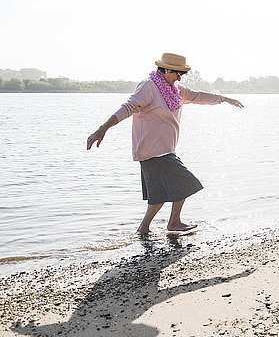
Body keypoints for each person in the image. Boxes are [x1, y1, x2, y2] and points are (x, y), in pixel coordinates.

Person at [86, 53, 243, 234]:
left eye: (182, 74)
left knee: (158, 195)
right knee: (186, 182)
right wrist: (102, 129)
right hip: (152, 150)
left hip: (163, 150)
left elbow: (198, 96)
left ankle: (143, 229)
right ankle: (174, 222)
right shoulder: (149, 87)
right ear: (166, 69)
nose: (179, 77)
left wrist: (223, 99)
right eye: (177, 73)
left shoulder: (174, 90)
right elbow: (127, 108)